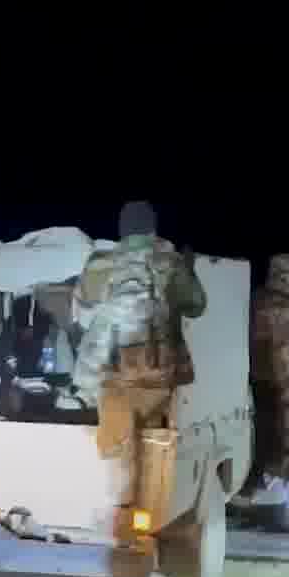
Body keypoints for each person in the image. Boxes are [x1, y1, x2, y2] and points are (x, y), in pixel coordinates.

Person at [71, 200, 206, 484]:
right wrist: (187, 271)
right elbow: (196, 306)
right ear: (153, 229)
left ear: (122, 230)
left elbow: (83, 307)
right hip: (160, 372)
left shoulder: (102, 262)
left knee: (117, 450)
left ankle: (120, 499)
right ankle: (143, 501)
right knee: (153, 444)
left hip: (116, 372)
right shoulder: (172, 262)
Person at [250, 254, 289, 485]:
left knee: (259, 430)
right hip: (273, 379)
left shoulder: (257, 299)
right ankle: (264, 475)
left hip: (252, 375)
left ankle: (257, 476)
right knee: (273, 433)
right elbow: (280, 353)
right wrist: (285, 387)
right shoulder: (285, 308)